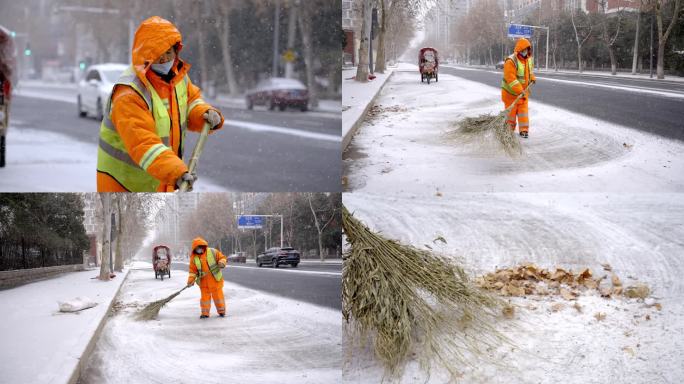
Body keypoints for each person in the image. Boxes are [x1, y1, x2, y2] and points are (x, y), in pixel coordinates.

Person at [97, 16, 224, 192]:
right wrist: (176, 172)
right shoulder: (129, 93)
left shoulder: (177, 77)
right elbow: (143, 143)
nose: (164, 59)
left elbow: (190, 101)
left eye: (168, 52)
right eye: (158, 54)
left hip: (161, 180)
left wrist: (204, 113)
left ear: (176, 51)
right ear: (146, 56)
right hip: (125, 184)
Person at [501, 38, 536, 138]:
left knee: (523, 113)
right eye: (524, 49)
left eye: (527, 49)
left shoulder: (529, 60)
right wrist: (520, 90)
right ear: (519, 49)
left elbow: (530, 72)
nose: (526, 51)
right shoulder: (511, 60)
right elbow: (510, 78)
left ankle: (524, 130)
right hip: (510, 94)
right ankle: (509, 130)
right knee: (511, 114)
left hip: (523, 94)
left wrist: (532, 78)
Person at [186, 237, 227, 319]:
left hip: (215, 280)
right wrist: (191, 280)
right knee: (205, 299)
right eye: (197, 248)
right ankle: (205, 313)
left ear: (203, 246)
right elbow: (192, 271)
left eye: (200, 247)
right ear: (194, 248)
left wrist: (221, 263)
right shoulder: (194, 257)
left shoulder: (212, 251)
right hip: (203, 282)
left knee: (218, 297)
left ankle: (221, 311)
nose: (199, 249)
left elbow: (222, 258)